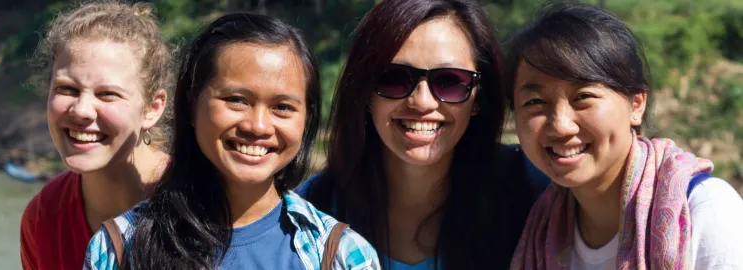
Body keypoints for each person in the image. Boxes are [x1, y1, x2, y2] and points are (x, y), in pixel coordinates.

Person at [84, 13, 380, 270]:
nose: (259, 126)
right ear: (191, 105)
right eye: (236, 100)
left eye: (283, 107)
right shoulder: (117, 249)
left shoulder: (342, 256)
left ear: (307, 119)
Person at [297, 0, 543, 269]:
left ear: (478, 99)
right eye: (394, 77)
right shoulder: (310, 214)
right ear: (365, 92)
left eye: (450, 82)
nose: (422, 102)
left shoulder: (536, 193)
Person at [506, 3, 743, 269]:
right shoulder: (534, 226)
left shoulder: (704, 211)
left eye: (583, 97)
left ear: (636, 105)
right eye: (536, 102)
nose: (561, 126)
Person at [18, 2, 173, 269]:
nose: (81, 110)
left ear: (152, 108)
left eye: (107, 94)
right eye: (67, 89)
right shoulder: (43, 216)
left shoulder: (198, 205)